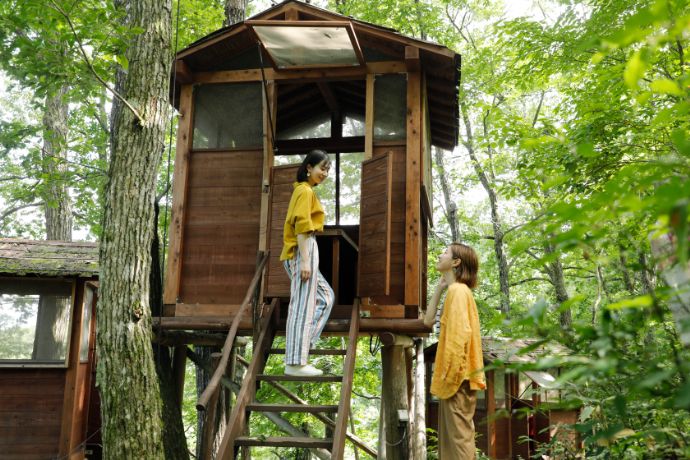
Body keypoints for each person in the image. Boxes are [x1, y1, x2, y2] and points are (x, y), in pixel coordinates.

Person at [424, 242, 486, 459]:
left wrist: (450, 376)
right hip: (455, 376)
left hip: (458, 377)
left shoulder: (459, 292)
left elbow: (460, 337)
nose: (440, 255)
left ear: (456, 262)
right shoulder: (454, 290)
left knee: (459, 439)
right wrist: (439, 289)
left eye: (445, 252)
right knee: (450, 440)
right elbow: (427, 320)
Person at [279, 150, 335, 377]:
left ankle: (301, 348)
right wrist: (304, 261)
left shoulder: (307, 191)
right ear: (309, 167)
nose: (325, 173)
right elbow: (302, 226)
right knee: (302, 306)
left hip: (307, 249)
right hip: (302, 251)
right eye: (322, 167)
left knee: (326, 297)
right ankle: (294, 362)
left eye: (328, 169)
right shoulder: (303, 190)